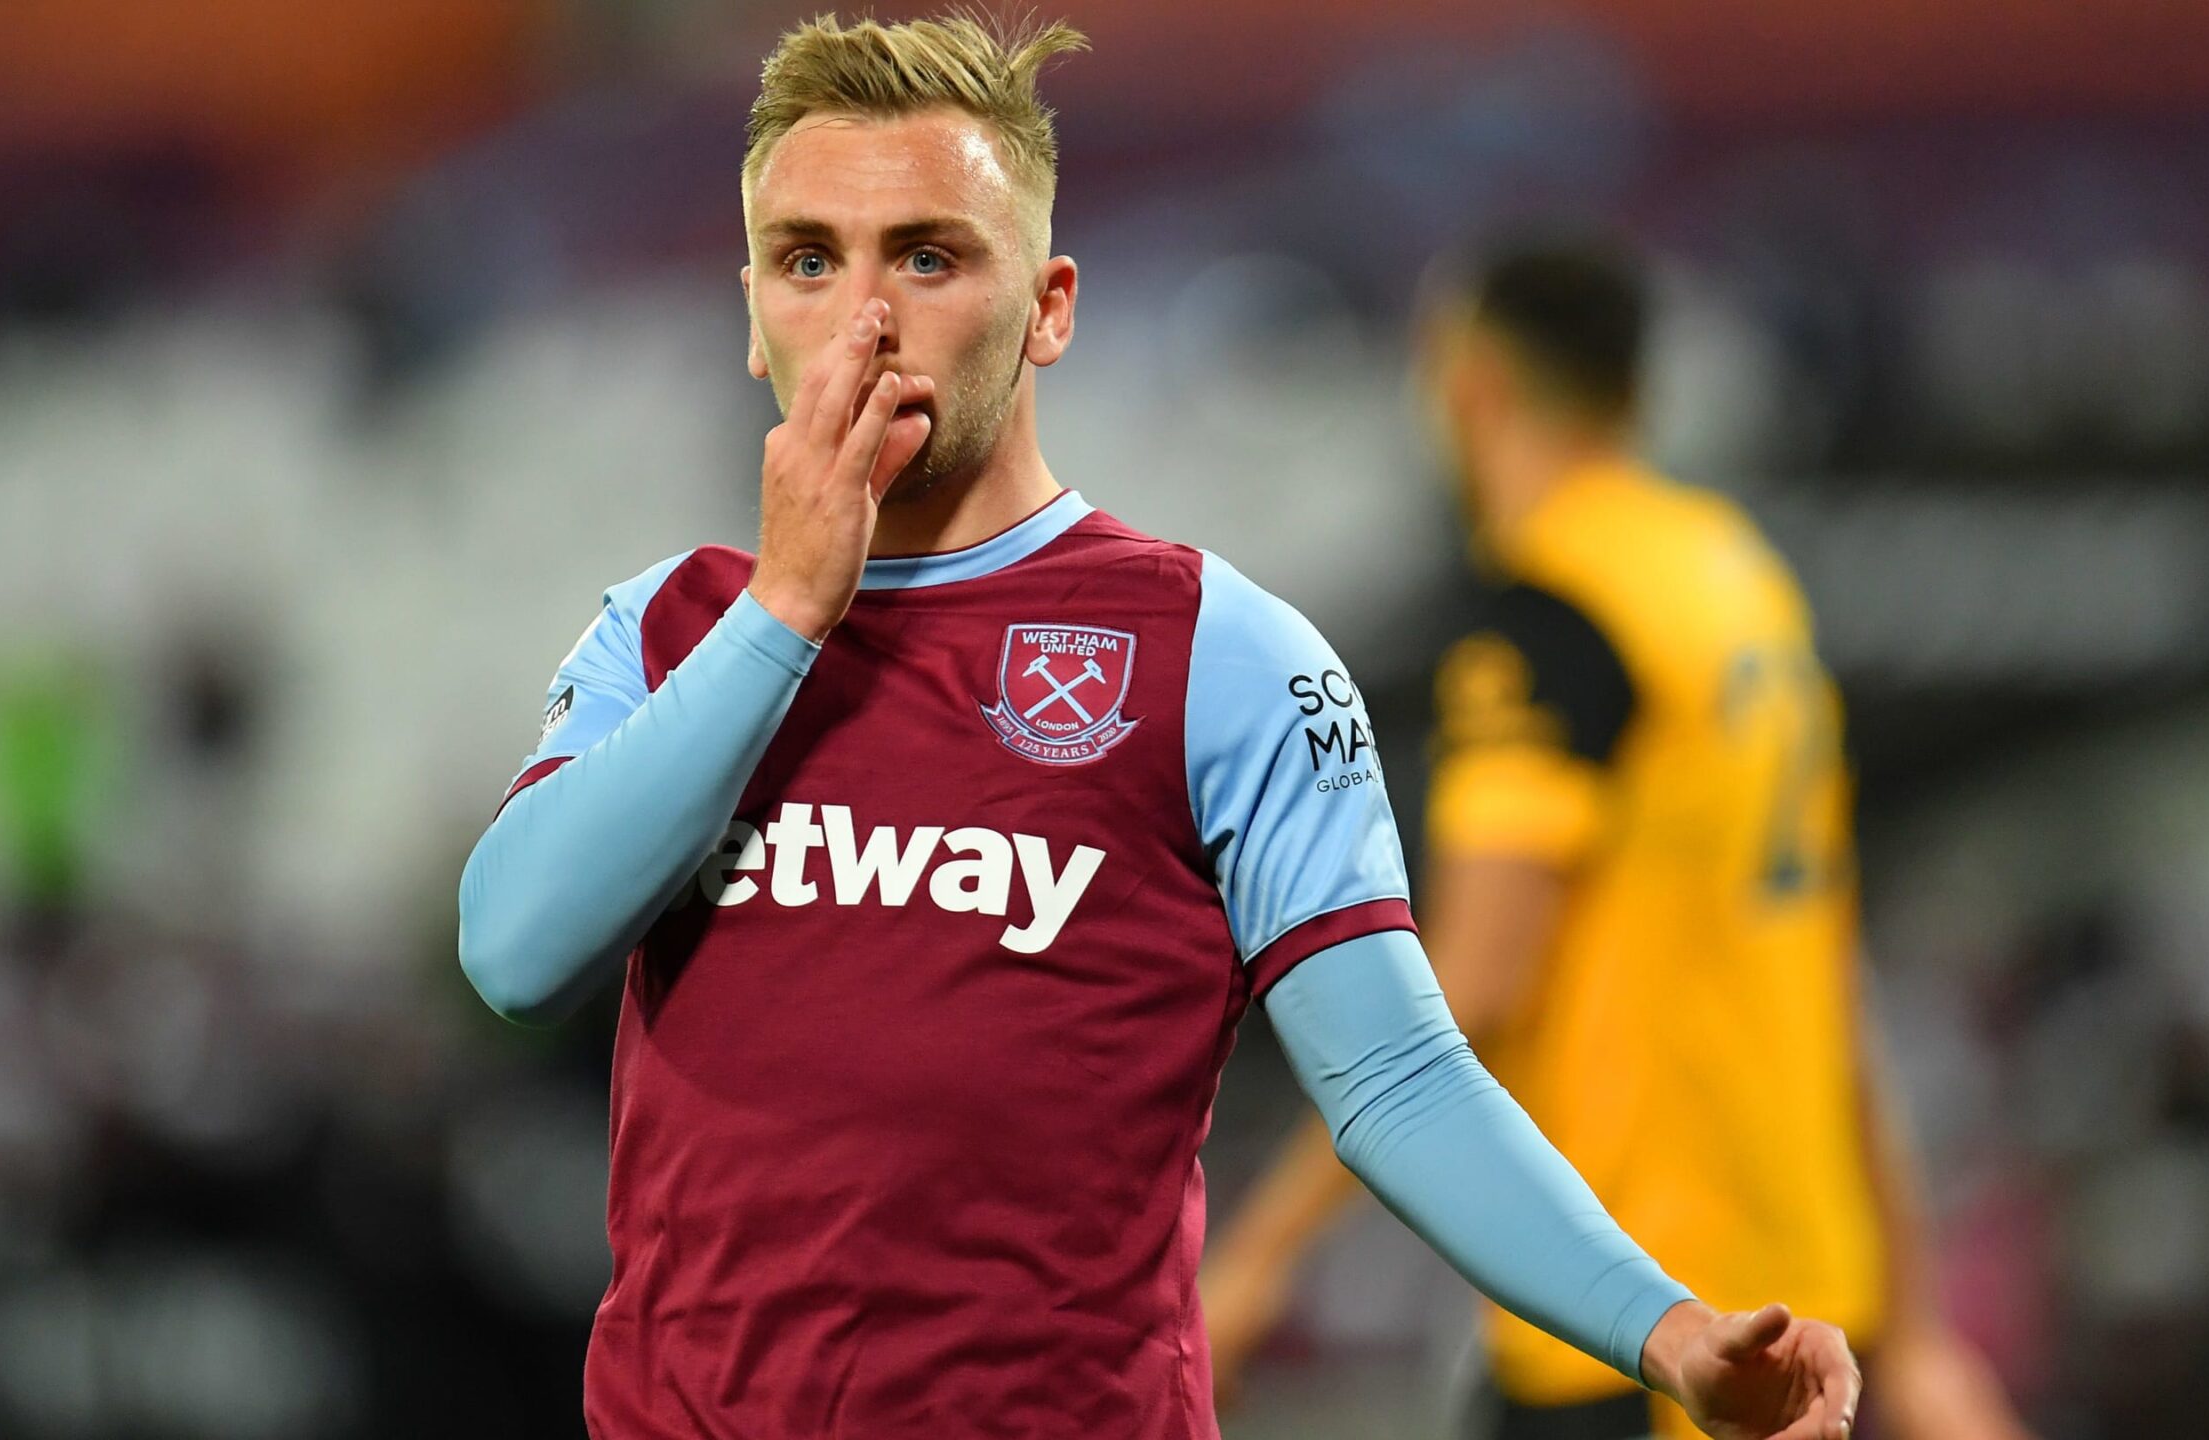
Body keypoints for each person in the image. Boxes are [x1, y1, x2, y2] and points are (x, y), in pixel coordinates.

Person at [456, 16, 1860, 1439]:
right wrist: (788, 612)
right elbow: (514, 953)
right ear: (753, 313)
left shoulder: (1221, 657)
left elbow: (1397, 1077)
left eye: (929, 257)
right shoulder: (668, 629)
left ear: (1049, 307)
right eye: (810, 260)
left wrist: (1666, 1330)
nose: (865, 319)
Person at [1195, 240, 2030, 1440]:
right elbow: (1823, 963)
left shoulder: (1547, 618)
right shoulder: (1737, 582)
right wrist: (1918, 1324)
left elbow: (1471, 991)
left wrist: (1257, 1256)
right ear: (1635, 387)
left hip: (1640, 1321)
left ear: (1470, 383)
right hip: (1806, 1299)